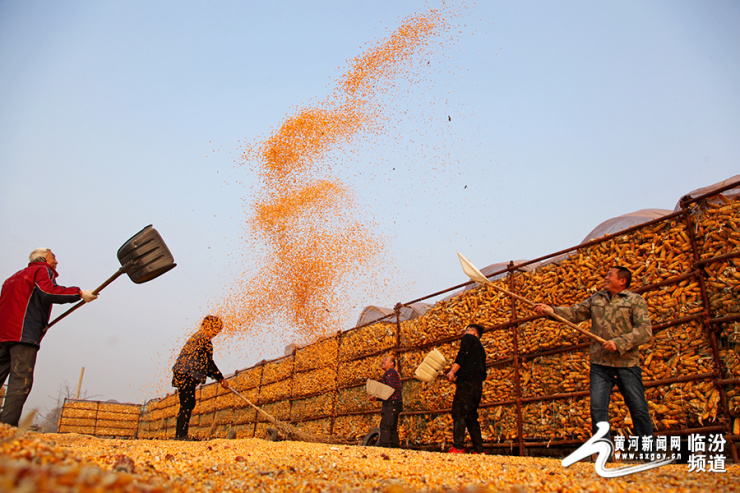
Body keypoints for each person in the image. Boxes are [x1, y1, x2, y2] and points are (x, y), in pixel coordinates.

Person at [533, 266, 653, 447]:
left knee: (638, 408)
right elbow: (575, 313)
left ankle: (648, 452)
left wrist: (619, 342)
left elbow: (645, 330)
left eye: (609, 275)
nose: (605, 277)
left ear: (622, 281)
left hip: (626, 363)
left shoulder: (634, 301)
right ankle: (603, 452)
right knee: (598, 409)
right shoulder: (596, 299)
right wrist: (552, 311)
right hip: (600, 364)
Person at [0, 248, 97, 426]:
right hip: (23, 334)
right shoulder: (41, 270)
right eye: (53, 258)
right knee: (20, 381)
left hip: (3, 335)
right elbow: (48, 292)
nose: (56, 262)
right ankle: (5, 429)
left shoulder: (11, 278)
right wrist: (80, 293)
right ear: (42, 258)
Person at [172, 315, 229, 440]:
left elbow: (200, 360)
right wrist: (221, 378)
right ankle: (181, 435)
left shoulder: (196, 337)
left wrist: (211, 374)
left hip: (180, 371)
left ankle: (180, 435)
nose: (216, 334)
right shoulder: (204, 340)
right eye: (215, 330)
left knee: (186, 403)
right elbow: (209, 362)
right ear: (209, 327)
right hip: (187, 372)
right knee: (188, 403)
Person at [446, 323, 487, 454]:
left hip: (467, 382)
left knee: (459, 412)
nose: (465, 333)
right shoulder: (481, 349)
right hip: (477, 384)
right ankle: (479, 450)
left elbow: (462, 355)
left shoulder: (469, 339)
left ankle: (457, 447)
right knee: (471, 416)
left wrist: (453, 371)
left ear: (474, 333)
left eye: (468, 330)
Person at [370, 356, 403, 448]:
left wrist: (377, 394)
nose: (382, 361)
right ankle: (395, 447)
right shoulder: (391, 373)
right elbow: (388, 392)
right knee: (392, 428)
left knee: (385, 426)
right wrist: (377, 398)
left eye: (385, 360)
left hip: (391, 404)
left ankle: (383, 446)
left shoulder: (390, 372)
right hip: (395, 403)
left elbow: (389, 389)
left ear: (392, 363)